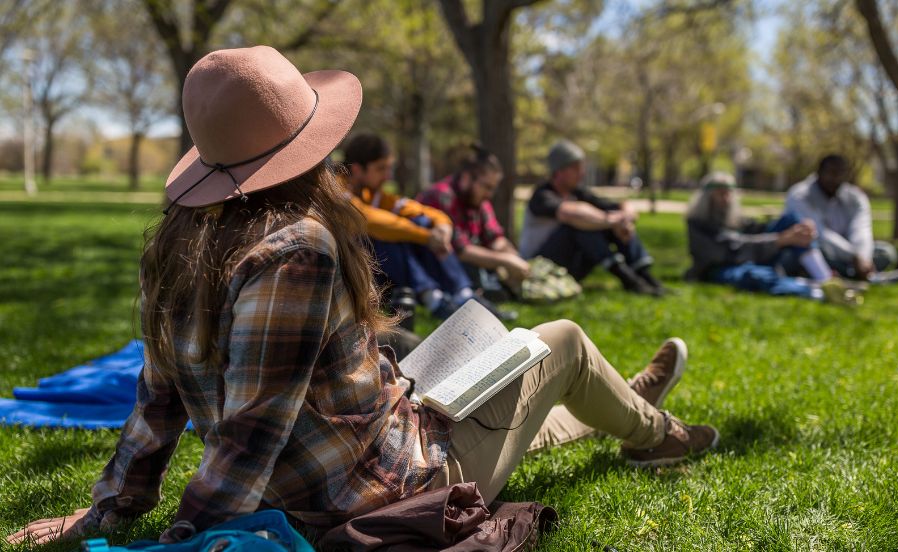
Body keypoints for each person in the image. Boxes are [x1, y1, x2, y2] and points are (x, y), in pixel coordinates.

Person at [6, 46, 718, 548]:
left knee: (495, 368)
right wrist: (181, 535)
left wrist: (110, 509)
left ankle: (622, 399)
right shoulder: (295, 250)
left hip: (374, 433)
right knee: (557, 337)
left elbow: (156, 400)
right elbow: (255, 431)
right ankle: (660, 437)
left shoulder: (175, 249)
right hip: (379, 488)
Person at [341, 133, 507, 320]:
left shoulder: (370, 192)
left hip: (381, 270)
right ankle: (438, 298)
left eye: (388, 168)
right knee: (390, 233)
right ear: (356, 169)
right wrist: (427, 236)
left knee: (417, 222)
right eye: (381, 169)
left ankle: (461, 294)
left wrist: (442, 225)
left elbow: (416, 209)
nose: (387, 176)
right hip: (355, 275)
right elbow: (371, 220)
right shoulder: (338, 191)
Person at [519, 140, 666, 296]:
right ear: (559, 171)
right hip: (541, 268)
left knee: (600, 223)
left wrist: (624, 220)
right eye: (575, 168)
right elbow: (571, 213)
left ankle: (644, 274)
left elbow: (620, 206)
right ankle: (628, 278)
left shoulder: (578, 192)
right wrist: (612, 221)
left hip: (571, 265)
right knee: (579, 226)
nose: (581, 173)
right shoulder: (542, 195)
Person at [686, 172, 858, 303]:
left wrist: (796, 230)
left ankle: (826, 279)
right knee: (755, 275)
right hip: (720, 268)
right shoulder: (697, 223)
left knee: (792, 220)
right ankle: (819, 293)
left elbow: (755, 230)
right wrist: (780, 240)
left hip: (755, 255)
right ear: (707, 197)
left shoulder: (734, 219)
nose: (726, 199)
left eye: (728, 193)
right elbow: (728, 248)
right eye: (720, 193)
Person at [417, 144, 529, 299]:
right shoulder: (442, 196)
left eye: (493, 188)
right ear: (467, 177)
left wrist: (512, 255)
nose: (490, 194)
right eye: (487, 187)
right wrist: (506, 261)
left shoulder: (479, 201)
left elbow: (494, 237)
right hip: (437, 267)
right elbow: (461, 250)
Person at [784, 155, 898, 281]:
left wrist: (863, 257)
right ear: (819, 173)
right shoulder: (800, 195)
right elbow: (819, 233)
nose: (835, 179)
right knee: (804, 256)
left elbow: (861, 231)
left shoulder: (855, 197)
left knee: (886, 252)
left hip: (851, 253)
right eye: (831, 173)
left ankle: (854, 271)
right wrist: (853, 256)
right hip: (818, 249)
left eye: (840, 174)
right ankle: (855, 273)